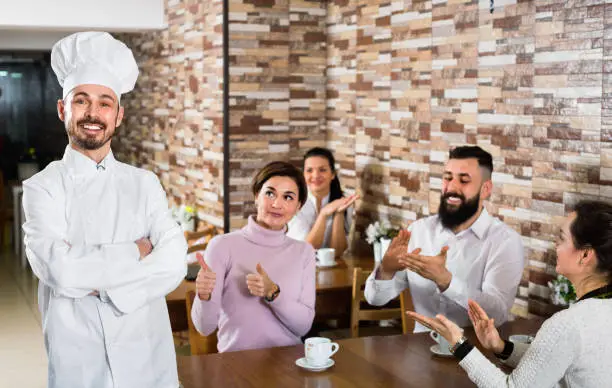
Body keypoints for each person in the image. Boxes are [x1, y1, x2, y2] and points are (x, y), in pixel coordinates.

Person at [22, 32, 187, 388]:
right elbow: (59, 270)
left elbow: (173, 261)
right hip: (80, 362)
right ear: (63, 109)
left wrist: (104, 287)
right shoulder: (42, 188)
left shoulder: (145, 183)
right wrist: (135, 252)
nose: (93, 113)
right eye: (81, 101)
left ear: (119, 115)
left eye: (105, 103)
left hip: (147, 356)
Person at [408, 200, 612, 387]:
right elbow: (551, 359)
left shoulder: (567, 325)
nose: (555, 245)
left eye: (561, 238)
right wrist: (501, 347)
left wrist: (458, 343)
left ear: (585, 255)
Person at [365, 146, 525, 332]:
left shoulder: (505, 241)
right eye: (447, 178)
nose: (452, 187)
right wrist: (386, 269)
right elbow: (374, 299)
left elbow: (497, 314)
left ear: (486, 189)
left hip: (476, 351)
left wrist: (446, 281)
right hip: (419, 351)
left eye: (464, 180)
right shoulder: (419, 231)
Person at [191, 161, 316, 352]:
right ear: (256, 196)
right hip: (236, 364)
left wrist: (273, 293)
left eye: (288, 197)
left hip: (289, 363)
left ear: (298, 206)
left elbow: (303, 327)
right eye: (270, 193)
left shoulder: (304, 252)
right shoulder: (222, 246)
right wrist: (204, 295)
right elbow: (204, 328)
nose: (277, 204)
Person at [287, 147, 359, 256]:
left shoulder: (343, 201)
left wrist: (339, 213)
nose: (315, 175)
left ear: (333, 174)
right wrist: (323, 214)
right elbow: (307, 251)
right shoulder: (294, 203)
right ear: (303, 175)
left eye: (322, 170)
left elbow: (337, 252)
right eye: (309, 170)